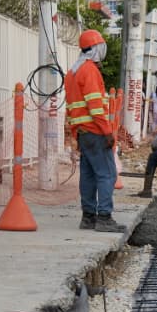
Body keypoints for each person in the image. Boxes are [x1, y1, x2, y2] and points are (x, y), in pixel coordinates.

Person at [65, 30, 125, 232]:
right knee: (107, 174)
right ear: (98, 49)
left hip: (83, 133)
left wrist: (75, 134)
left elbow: (72, 107)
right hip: (96, 132)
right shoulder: (89, 71)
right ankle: (105, 218)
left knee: (88, 175)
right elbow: (95, 106)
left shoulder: (72, 72)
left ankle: (88, 217)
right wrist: (107, 131)